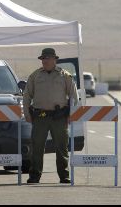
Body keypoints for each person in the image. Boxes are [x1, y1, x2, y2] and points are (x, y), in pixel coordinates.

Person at [23, 47, 78, 184]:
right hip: (40, 116)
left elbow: (73, 96)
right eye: (43, 58)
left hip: (59, 117)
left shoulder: (64, 75)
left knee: (61, 147)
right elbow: (27, 96)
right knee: (37, 147)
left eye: (47, 58)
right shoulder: (35, 75)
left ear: (55, 59)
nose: (45, 61)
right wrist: (27, 114)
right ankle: (34, 176)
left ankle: (64, 176)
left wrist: (71, 114)